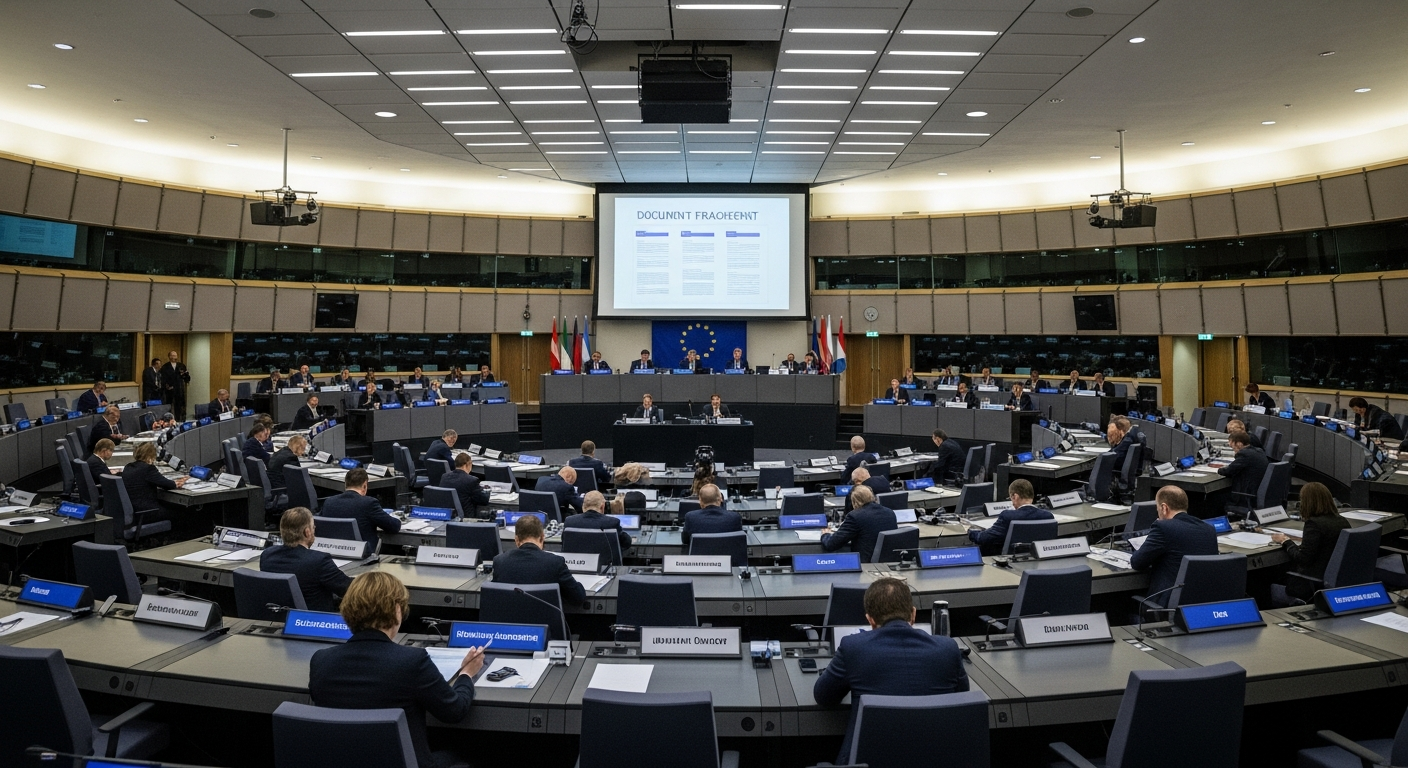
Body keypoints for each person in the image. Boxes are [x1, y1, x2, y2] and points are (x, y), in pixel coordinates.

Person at [308, 572, 481, 768]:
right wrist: (467, 674)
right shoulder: (412, 661)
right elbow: (454, 711)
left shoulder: (321, 661)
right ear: (397, 610)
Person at [813, 577, 968, 765]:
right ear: (913, 614)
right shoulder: (948, 649)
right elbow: (962, 697)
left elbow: (824, 696)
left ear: (870, 619)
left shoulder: (853, 647)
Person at [1131, 486, 1219, 607]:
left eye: (1158, 509)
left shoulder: (1163, 527)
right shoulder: (1208, 529)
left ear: (1164, 507)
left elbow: (1137, 562)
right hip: (1200, 605)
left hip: (1167, 605)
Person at [260, 506, 352, 612]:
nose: (314, 530)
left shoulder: (267, 556)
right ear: (307, 532)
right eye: (313, 527)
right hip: (315, 622)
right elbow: (349, 590)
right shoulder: (319, 561)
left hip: (278, 620)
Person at [1269, 482, 1350, 602]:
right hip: (1336, 580)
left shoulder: (1313, 524)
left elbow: (1303, 558)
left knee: (1266, 577)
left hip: (1312, 583)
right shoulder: (1342, 521)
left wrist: (1285, 541)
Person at [492, 514, 586, 605]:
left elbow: (493, 595)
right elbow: (578, 598)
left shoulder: (500, 561)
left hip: (510, 620)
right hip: (547, 620)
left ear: (516, 540)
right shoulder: (555, 563)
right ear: (542, 538)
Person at [966, 479, 1055, 555]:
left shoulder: (1008, 516)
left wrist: (969, 531)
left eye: (1011, 498)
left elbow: (983, 538)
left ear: (1015, 496)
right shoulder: (1048, 516)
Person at [321, 468, 401, 546]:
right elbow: (394, 527)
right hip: (363, 557)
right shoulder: (369, 503)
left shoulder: (329, 502)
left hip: (334, 555)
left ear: (345, 484)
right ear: (365, 486)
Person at [822, 485, 898, 560]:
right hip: (889, 562)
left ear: (854, 501)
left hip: (865, 565)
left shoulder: (855, 516)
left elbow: (831, 544)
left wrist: (825, 534)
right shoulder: (890, 512)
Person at [121, 442, 184, 518]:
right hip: (147, 511)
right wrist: (176, 483)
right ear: (150, 456)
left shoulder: (128, 467)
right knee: (181, 512)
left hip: (133, 511)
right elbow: (167, 484)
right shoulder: (148, 469)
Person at [564, 490, 632, 556]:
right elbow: (627, 542)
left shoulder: (569, 522)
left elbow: (564, 542)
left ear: (583, 506)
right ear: (602, 507)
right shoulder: (612, 522)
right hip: (605, 565)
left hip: (576, 565)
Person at [681, 484, 742, 549]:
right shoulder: (735, 518)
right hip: (728, 558)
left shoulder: (690, 517)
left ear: (700, 501)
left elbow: (685, 541)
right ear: (721, 499)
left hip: (700, 558)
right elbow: (739, 543)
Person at [1218, 431, 1269, 505]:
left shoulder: (1244, 455)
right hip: (1258, 492)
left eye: (1233, 447)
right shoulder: (1259, 451)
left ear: (1239, 444)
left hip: (1247, 496)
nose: (1233, 449)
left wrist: (1219, 469)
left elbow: (1228, 471)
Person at [160, 350, 190, 418]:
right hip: (169, 390)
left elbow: (187, 377)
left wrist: (184, 375)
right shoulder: (165, 366)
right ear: (169, 356)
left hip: (179, 389)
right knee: (169, 405)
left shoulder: (181, 365)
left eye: (175, 356)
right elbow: (163, 378)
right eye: (172, 355)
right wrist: (166, 386)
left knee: (179, 405)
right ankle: (169, 419)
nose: (174, 357)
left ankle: (179, 419)